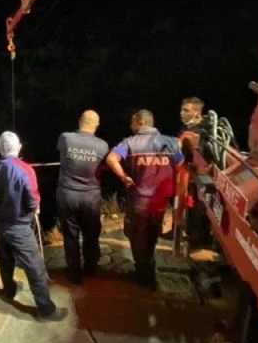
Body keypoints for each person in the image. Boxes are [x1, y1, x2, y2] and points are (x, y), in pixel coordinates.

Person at [0, 132, 68, 321]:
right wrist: (34, 209)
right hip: (19, 227)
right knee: (35, 266)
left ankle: (9, 290)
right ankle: (46, 310)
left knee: (5, 259)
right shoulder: (24, 168)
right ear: (19, 147)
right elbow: (33, 197)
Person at [106, 110, 183, 289]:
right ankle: (149, 268)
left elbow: (111, 159)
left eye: (132, 122)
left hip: (139, 200)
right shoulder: (171, 143)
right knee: (152, 235)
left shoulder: (129, 143)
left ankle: (144, 276)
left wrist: (124, 177)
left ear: (140, 123)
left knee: (136, 236)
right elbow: (181, 166)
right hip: (160, 202)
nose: (130, 125)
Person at [56, 110, 109, 283]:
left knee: (71, 235)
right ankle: (90, 268)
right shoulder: (102, 146)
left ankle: (74, 272)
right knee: (91, 234)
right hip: (91, 197)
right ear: (97, 125)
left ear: (80, 121)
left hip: (68, 195)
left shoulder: (65, 138)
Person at [177, 96, 211, 247]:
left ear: (197, 113)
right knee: (190, 207)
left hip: (202, 176)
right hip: (188, 175)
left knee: (199, 208)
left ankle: (200, 240)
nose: (182, 113)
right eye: (181, 110)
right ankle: (189, 233)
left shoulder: (205, 131)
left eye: (186, 110)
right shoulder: (186, 129)